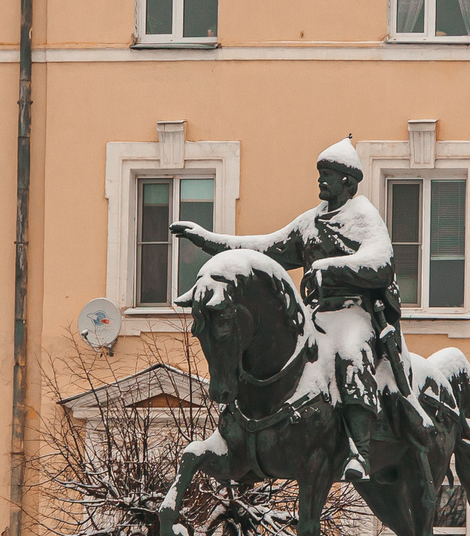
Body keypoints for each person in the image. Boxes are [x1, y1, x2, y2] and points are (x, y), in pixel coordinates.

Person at [171, 136, 426, 483]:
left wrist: (328, 268)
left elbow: (381, 263)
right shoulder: (310, 223)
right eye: (320, 173)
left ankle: (360, 451)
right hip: (317, 316)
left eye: (329, 174)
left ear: (347, 181)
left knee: (350, 353)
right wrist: (207, 241)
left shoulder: (363, 216)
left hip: (355, 313)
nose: (321, 180)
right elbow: (262, 247)